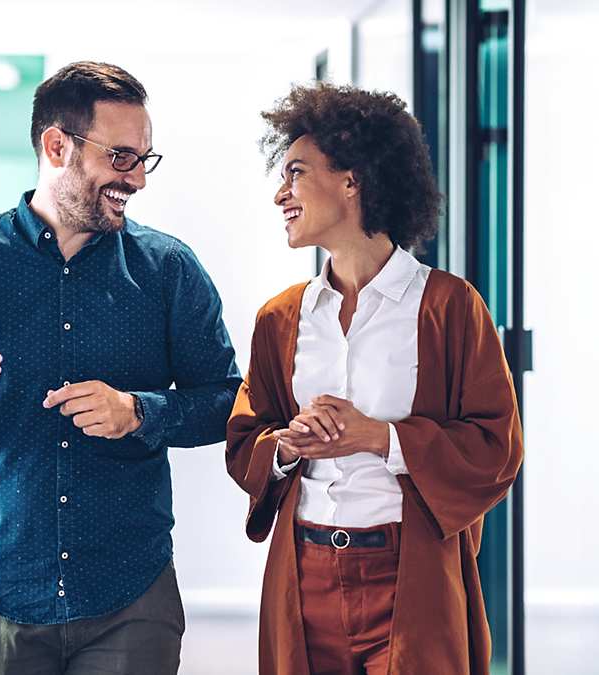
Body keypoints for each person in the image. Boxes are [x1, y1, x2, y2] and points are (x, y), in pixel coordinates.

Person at [0, 61, 241, 675]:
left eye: (145, 160)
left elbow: (230, 402)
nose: (137, 180)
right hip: (0, 596)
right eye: (122, 158)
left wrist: (138, 412)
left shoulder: (169, 270)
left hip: (130, 593)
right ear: (57, 146)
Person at [226, 83, 524, 675]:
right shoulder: (280, 319)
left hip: (407, 580)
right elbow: (245, 438)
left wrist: (377, 437)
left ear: (352, 180)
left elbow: (498, 448)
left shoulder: (449, 307)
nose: (281, 194)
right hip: (304, 577)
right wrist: (285, 448)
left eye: (296, 173)